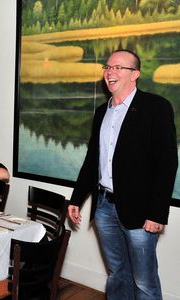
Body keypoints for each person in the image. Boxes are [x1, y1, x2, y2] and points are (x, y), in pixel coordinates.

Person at [68, 49, 178, 300]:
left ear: (135, 74)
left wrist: (157, 213)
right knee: (117, 272)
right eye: (107, 67)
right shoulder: (101, 112)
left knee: (145, 281)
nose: (110, 72)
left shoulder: (156, 107)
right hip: (104, 206)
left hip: (141, 212)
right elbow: (92, 161)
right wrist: (76, 199)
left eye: (119, 67)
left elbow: (167, 163)